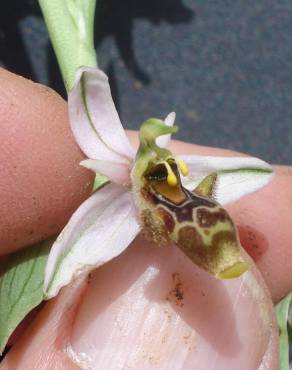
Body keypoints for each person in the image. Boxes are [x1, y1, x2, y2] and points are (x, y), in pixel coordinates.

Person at [0, 67, 291, 369]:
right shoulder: (109, 205)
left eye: (165, 171)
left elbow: (247, 174)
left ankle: (221, 255)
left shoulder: (169, 177)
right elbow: (72, 255)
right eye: (154, 174)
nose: (165, 177)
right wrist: (60, 274)